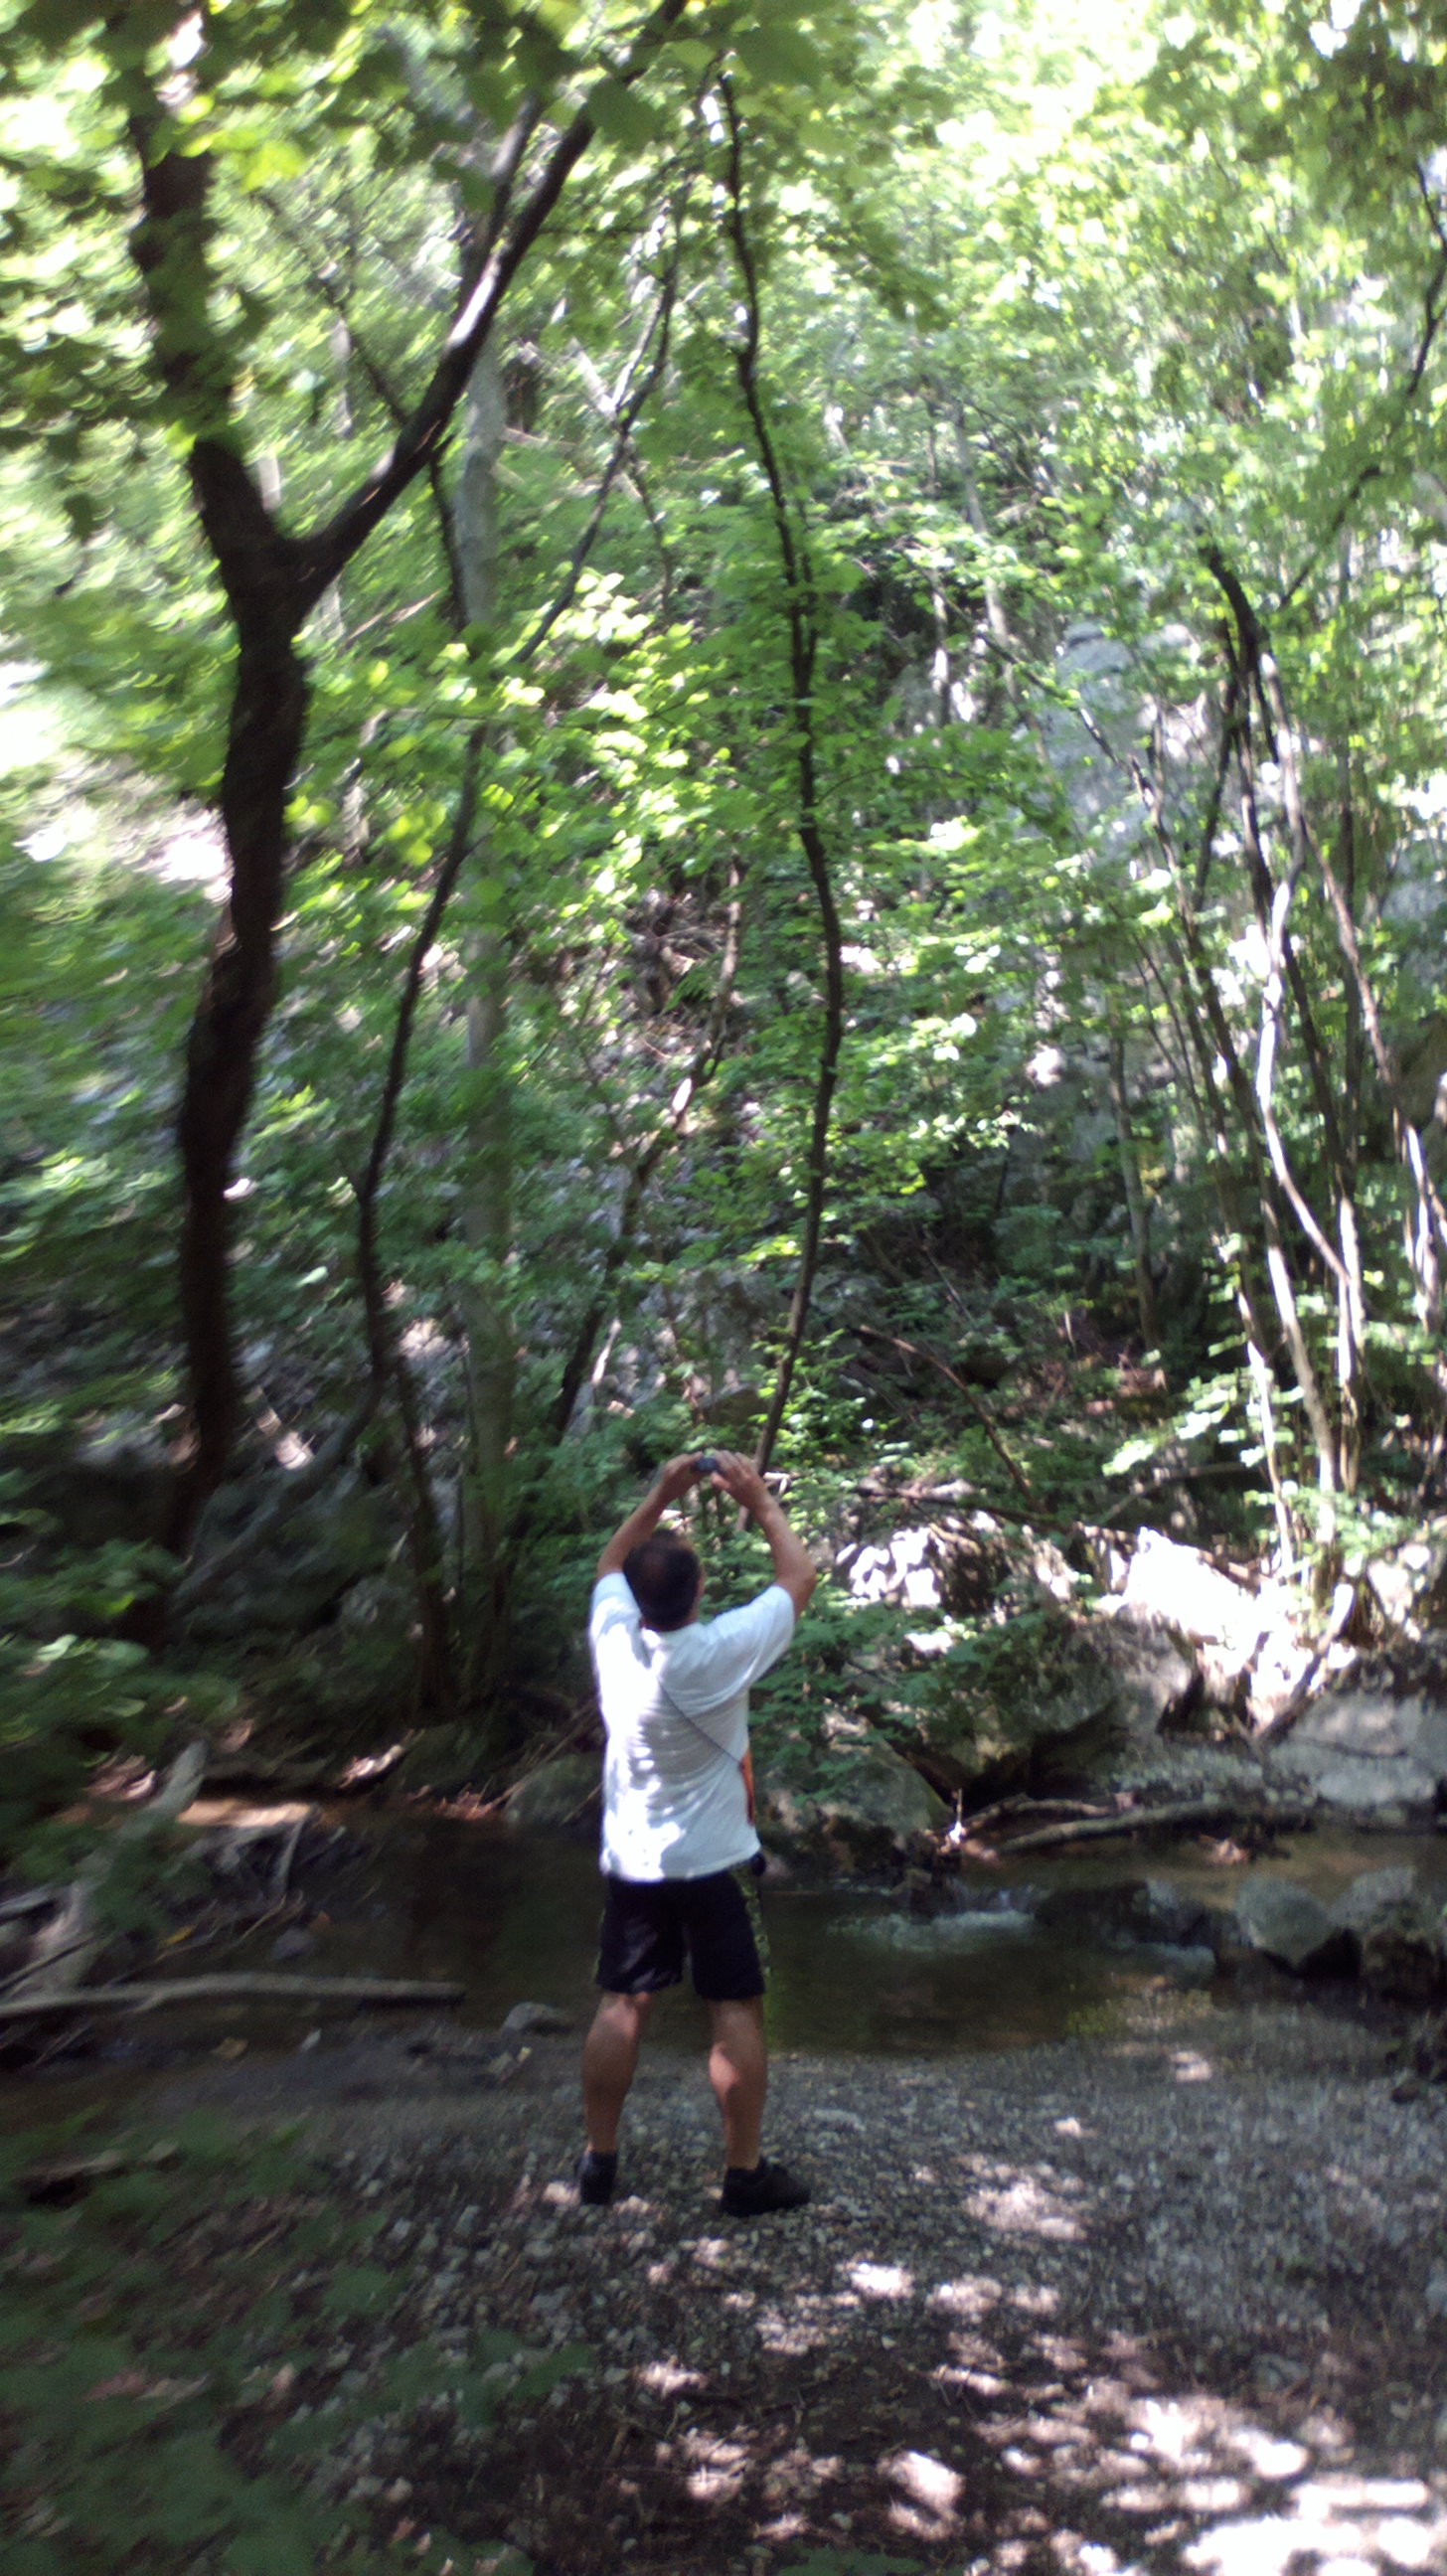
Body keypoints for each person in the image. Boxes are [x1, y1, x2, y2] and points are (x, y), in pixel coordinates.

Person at [577, 1448, 817, 2218]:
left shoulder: (615, 1641)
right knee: (735, 2008)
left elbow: (609, 1564)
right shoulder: (722, 1652)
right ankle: (743, 2173)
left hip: (634, 1862)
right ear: (700, 1591)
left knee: (622, 2004)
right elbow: (798, 1578)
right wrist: (760, 1501)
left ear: (635, 1598)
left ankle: (599, 2162)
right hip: (717, 1862)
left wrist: (659, 1493)